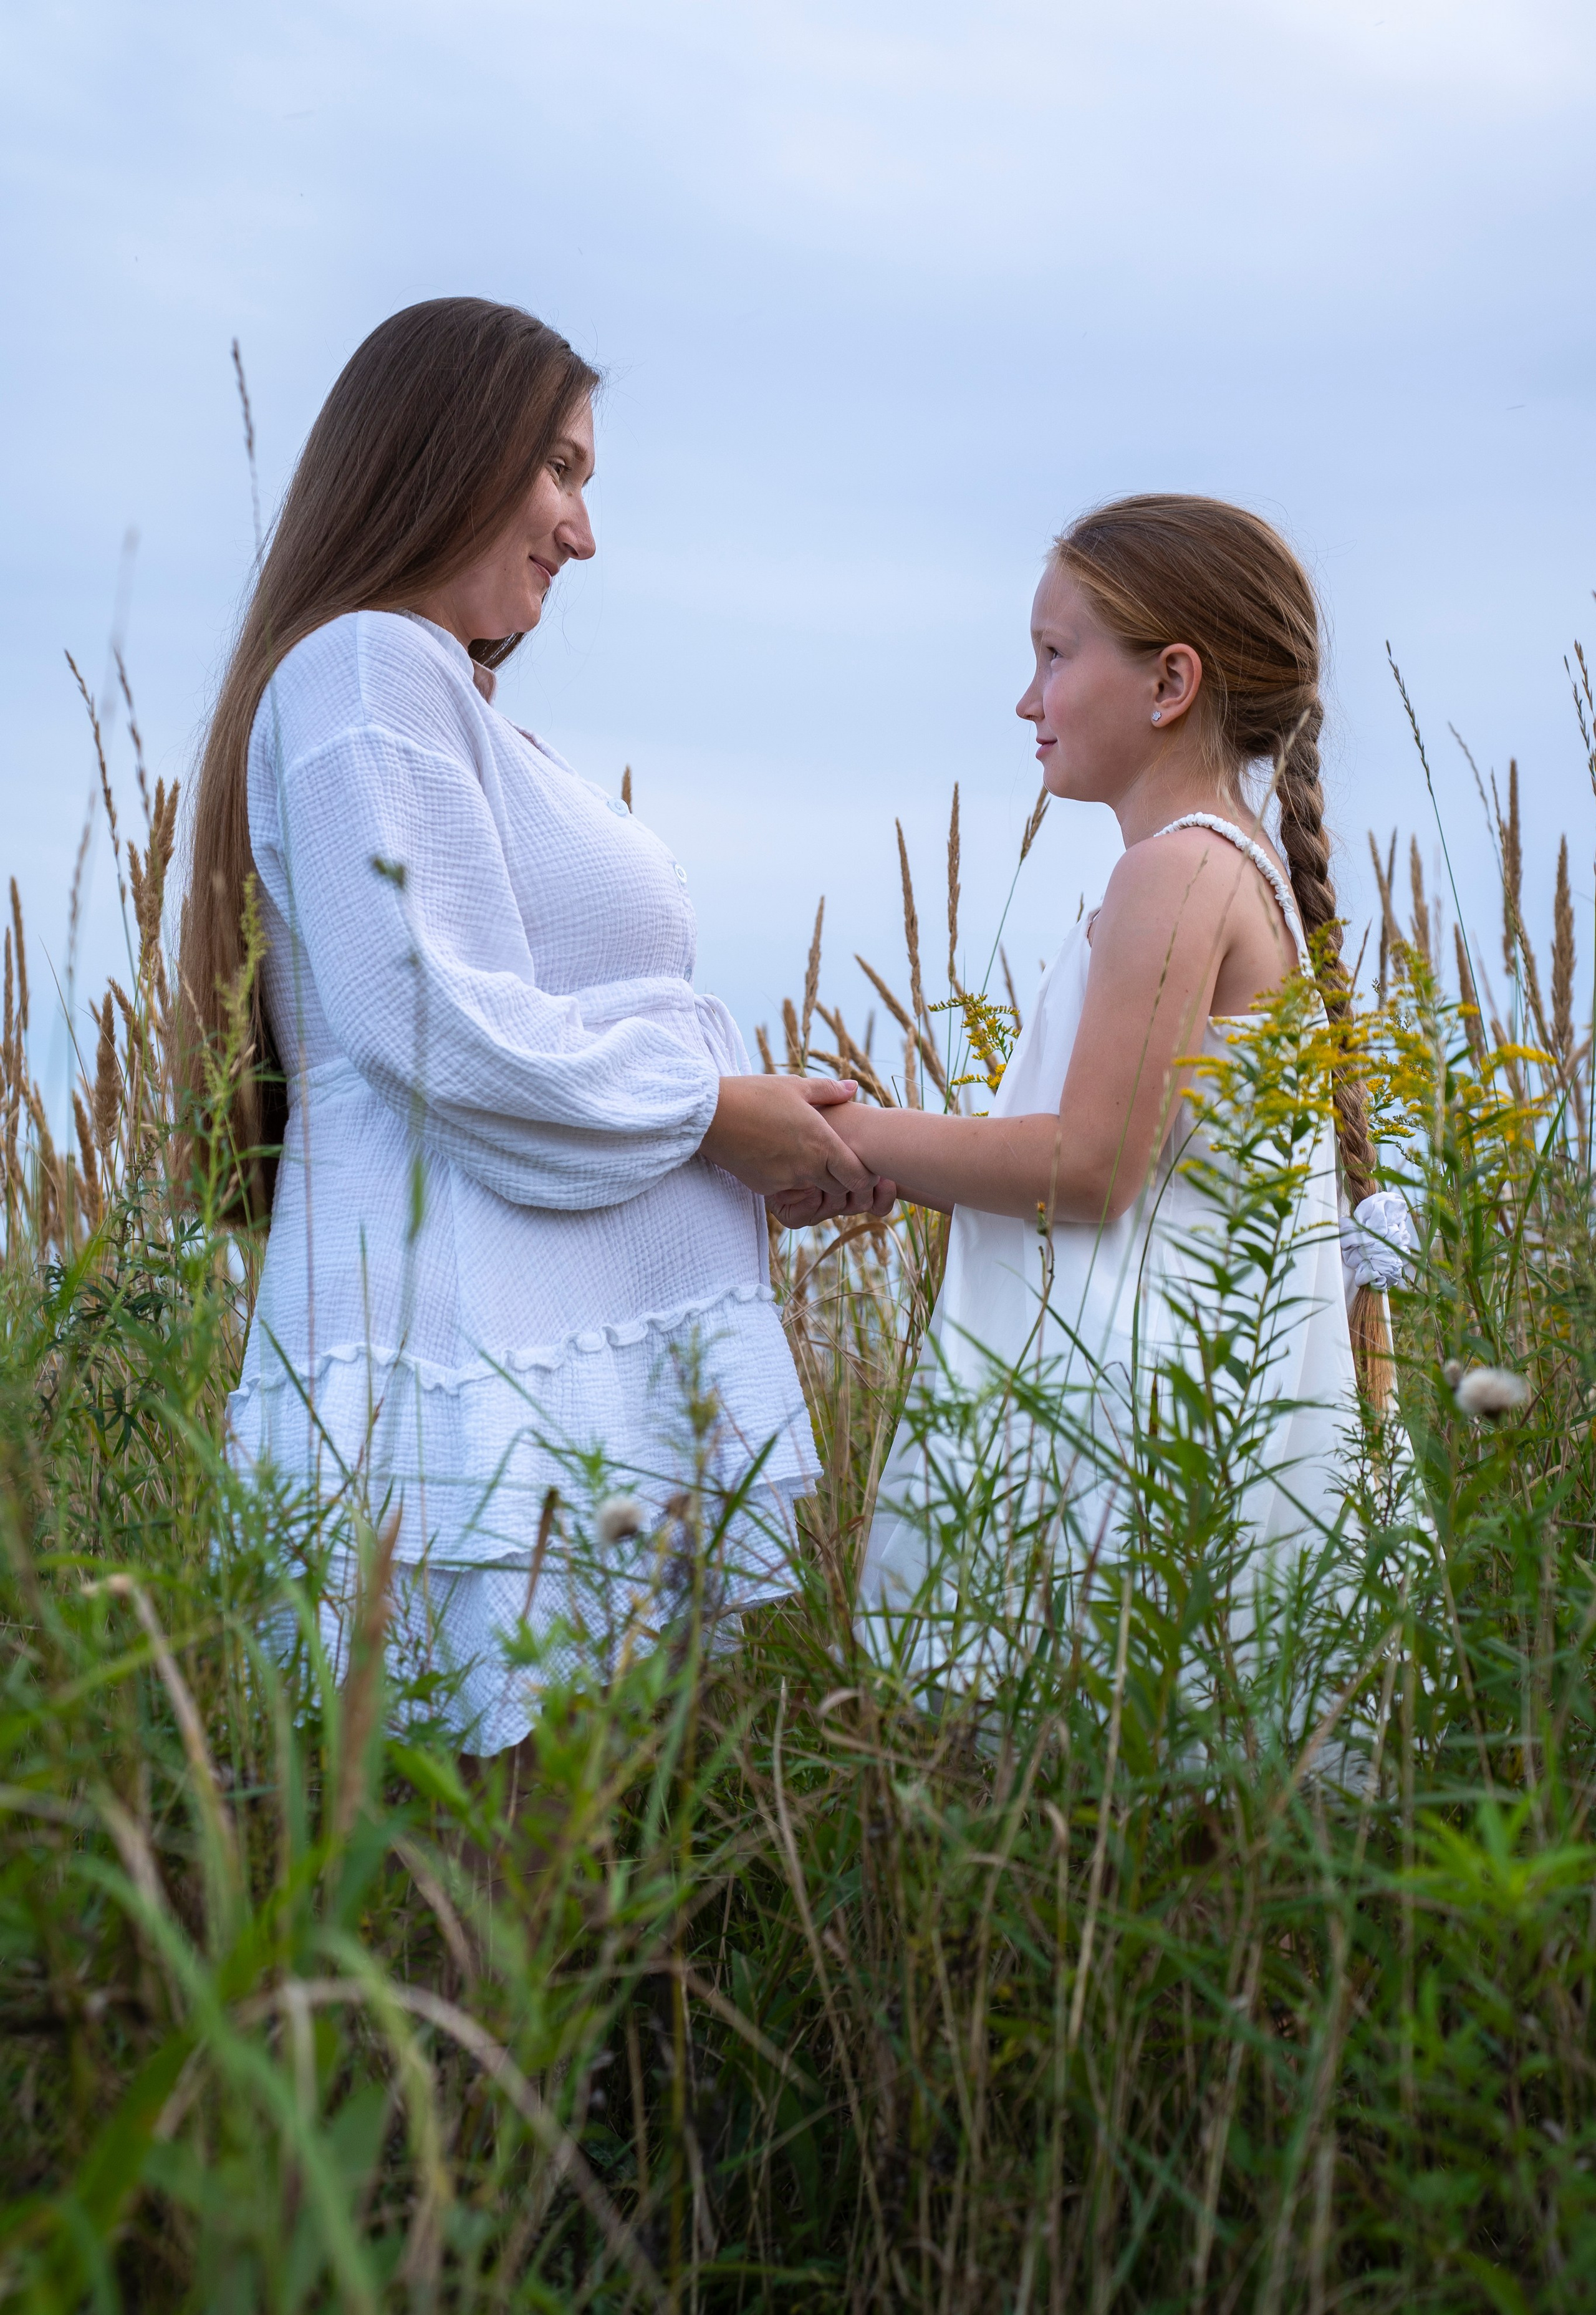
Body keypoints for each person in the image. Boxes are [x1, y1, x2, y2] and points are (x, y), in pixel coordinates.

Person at [180, 297, 890, 1756]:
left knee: (524, 1901)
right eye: (558, 471)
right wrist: (709, 1115)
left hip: (524, 1353)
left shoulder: (444, 699)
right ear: (444, 452)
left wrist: (739, 1149)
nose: (581, 532)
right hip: (461, 1365)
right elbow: (442, 1028)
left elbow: (501, 1039)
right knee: (464, 1902)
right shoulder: (366, 668)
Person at [771, 494, 1403, 1683]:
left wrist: (841, 1134)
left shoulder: (1179, 874)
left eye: (1054, 657)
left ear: (1171, 683)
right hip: (1193, 1416)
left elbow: (1091, 1166)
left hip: (1140, 1438)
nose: (1027, 701)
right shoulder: (1227, 871)